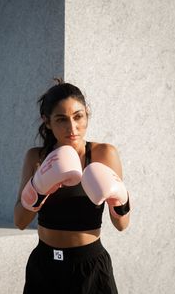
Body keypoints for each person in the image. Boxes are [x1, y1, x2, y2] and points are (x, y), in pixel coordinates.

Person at [14, 78, 131, 294]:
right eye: (61, 119)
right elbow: (20, 221)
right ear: (47, 122)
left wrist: (120, 199)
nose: (72, 128)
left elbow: (122, 225)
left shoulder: (104, 154)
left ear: (87, 113)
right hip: (44, 267)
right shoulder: (36, 158)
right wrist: (38, 189)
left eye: (78, 117)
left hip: (90, 268)